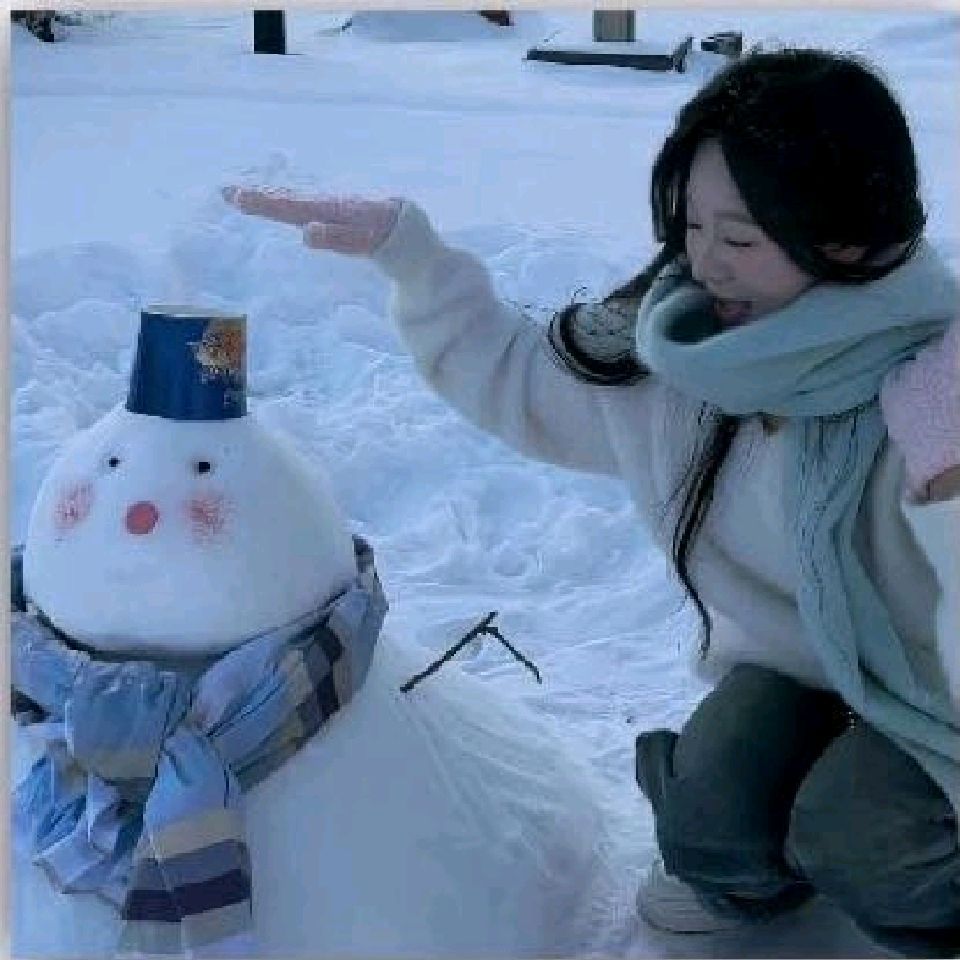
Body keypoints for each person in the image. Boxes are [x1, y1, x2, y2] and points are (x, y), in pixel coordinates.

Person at [223, 47, 960, 958]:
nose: (705, 262)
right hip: (797, 675)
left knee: (858, 835)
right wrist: (412, 257)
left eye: (740, 239)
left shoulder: (930, 387)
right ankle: (797, 849)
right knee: (710, 823)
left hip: (937, 694)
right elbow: (526, 383)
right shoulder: (690, 355)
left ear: (844, 239)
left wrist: (948, 487)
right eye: (691, 225)